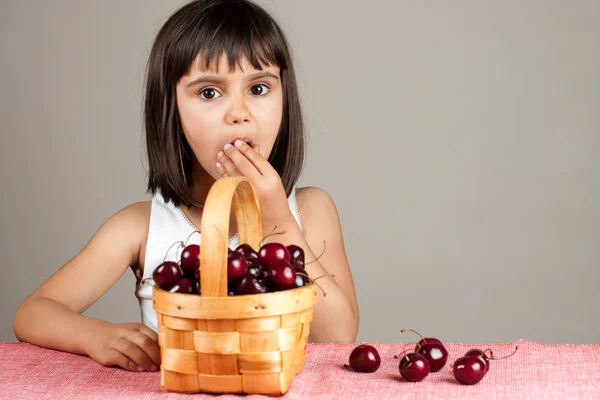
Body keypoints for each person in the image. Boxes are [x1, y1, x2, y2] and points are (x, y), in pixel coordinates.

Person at [13, 0, 359, 373]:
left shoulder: (311, 210)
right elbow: (32, 314)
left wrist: (277, 219)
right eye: (210, 92)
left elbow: (339, 335)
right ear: (171, 110)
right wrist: (95, 336)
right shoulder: (139, 227)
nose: (239, 112)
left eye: (259, 88)